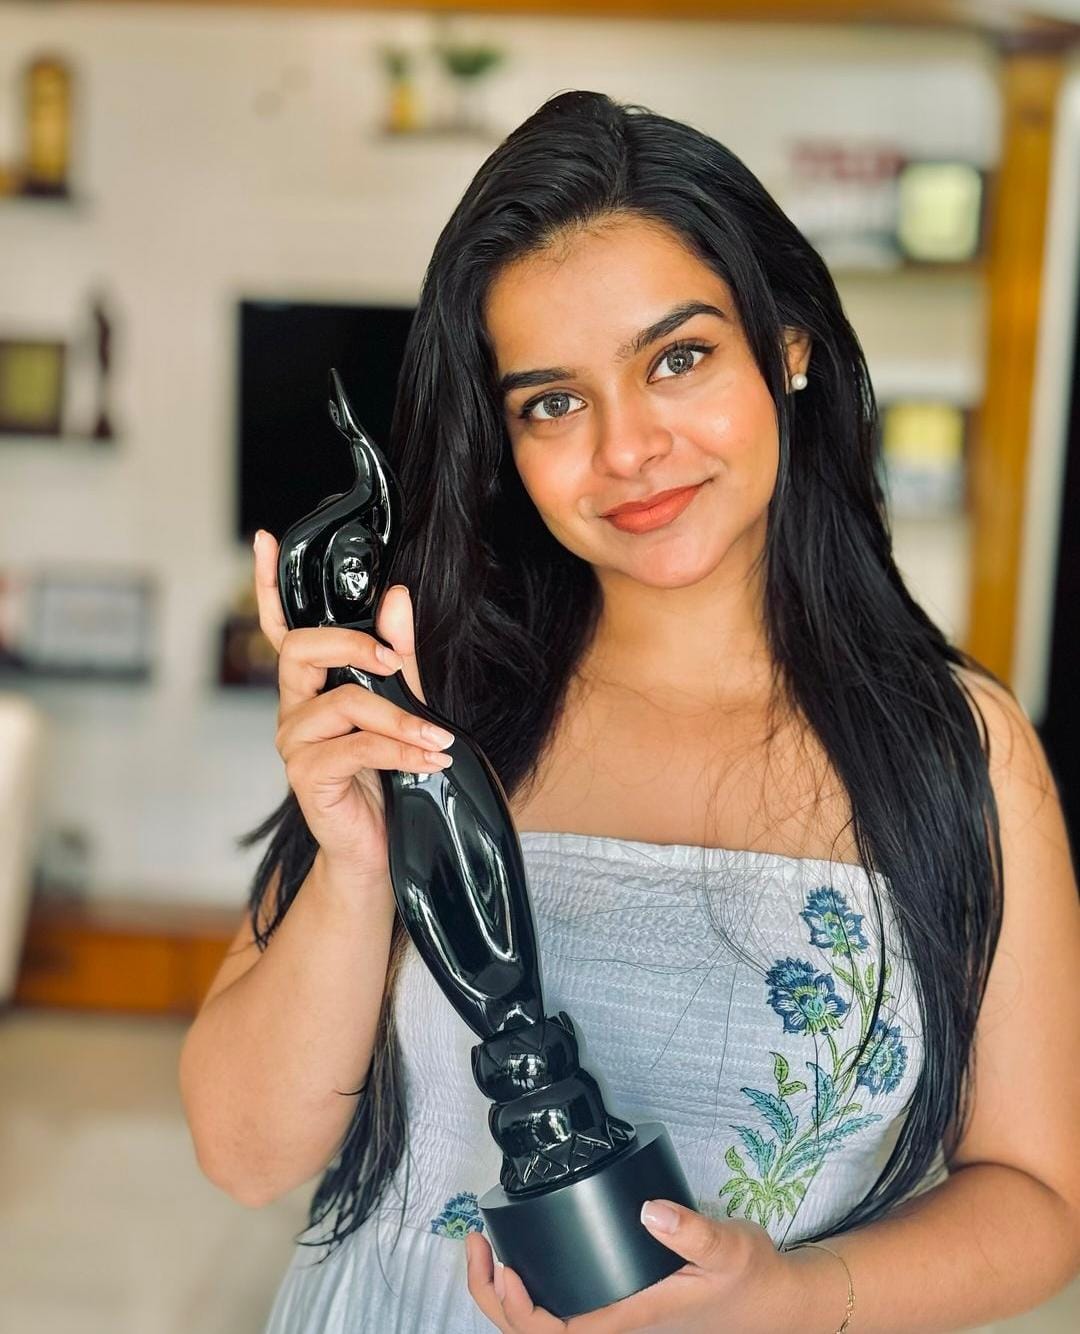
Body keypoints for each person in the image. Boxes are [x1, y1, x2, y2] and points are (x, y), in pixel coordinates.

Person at [179, 91, 1080, 1333]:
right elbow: (244, 1154)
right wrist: (354, 866)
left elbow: (1038, 1198)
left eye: (677, 358)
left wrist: (788, 1295)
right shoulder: (429, 704)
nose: (627, 449)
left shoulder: (959, 751)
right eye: (553, 401)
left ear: (789, 345)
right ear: (504, 441)